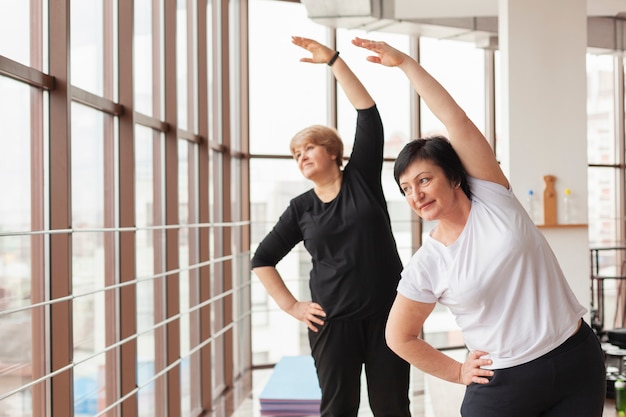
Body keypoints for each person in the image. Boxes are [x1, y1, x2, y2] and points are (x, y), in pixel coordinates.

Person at [351, 37, 607, 417]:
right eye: (406, 188)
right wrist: (456, 371)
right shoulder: (428, 263)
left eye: (424, 180)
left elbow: (456, 120)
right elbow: (398, 337)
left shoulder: (493, 198)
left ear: (453, 176)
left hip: (576, 360)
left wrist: (406, 64)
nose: (416, 195)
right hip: (504, 384)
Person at [250, 36, 411, 417]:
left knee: (392, 408)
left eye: (308, 148)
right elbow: (262, 259)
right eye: (296, 153)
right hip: (332, 323)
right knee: (339, 409)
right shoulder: (300, 208)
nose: (301, 156)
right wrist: (292, 306)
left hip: (388, 314)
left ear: (333, 152)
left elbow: (368, 114)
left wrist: (334, 61)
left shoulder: (362, 180)